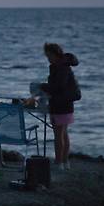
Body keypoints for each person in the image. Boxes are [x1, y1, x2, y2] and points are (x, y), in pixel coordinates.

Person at [40, 43, 80, 171]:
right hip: (67, 105)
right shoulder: (63, 66)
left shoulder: (61, 68)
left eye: (49, 55)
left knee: (58, 135)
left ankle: (59, 162)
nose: (48, 58)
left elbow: (58, 87)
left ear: (54, 54)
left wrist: (43, 86)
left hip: (60, 105)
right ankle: (65, 161)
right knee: (64, 134)